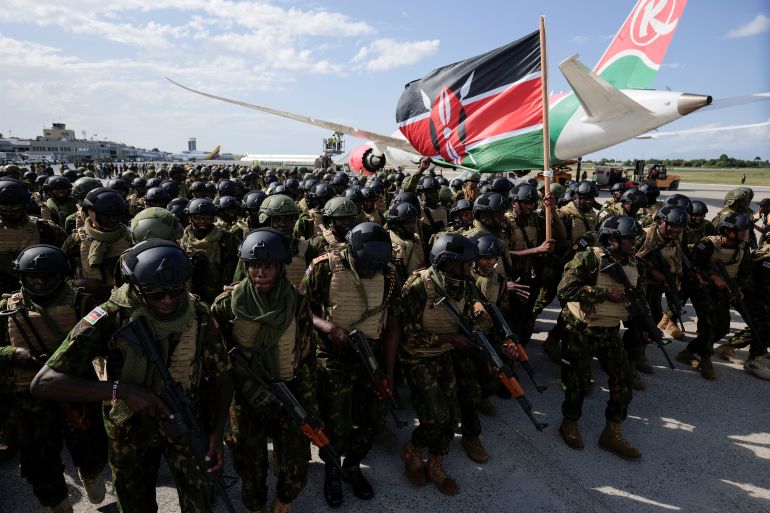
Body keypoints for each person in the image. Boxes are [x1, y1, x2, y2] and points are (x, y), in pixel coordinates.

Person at [31, 240, 233, 513]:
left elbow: (222, 377)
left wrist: (216, 432)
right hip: (129, 429)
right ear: (136, 287)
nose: (168, 301)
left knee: (201, 500)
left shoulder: (198, 315)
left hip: (185, 419)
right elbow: (44, 382)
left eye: (175, 292)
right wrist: (121, 390)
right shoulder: (110, 316)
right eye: (156, 294)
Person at [212, 228, 317, 513]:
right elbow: (217, 361)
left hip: (288, 391)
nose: (260, 271)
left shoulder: (296, 303)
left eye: (267, 265)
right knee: (250, 463)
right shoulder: (226, 306)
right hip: (245, 399)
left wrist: (307, 404)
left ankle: (283, 501)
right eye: (254, 265)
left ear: (280, 267)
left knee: (297, 459)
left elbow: (306, 354)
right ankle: (256, 507)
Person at [2, 245, 108, 513]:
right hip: (31, 397)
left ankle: (91, 473)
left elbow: (107, 340)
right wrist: (12, 353)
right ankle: (59, 505)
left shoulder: (82, 302)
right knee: (40, 462)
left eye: (47, 277)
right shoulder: (7, 307)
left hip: (78, 389)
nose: (39, 283)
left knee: (91, 447)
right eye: (32, 278)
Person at [302, 222, 399, 507]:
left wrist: (389, 372)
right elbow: (300, 309)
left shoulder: (389, 273)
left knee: (373, 420)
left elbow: (393, 325)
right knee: (336, 423)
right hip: (332, 359)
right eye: (366, 266)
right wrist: (329, 327)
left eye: (375, 268)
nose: (371, 272)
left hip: (370, 358)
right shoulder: (324, 268)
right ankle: (332, 467)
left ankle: (352, 465)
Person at [398, 233, 485, 495]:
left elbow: (469, 314)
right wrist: (450, 338)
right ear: (446, 262)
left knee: (452, 417)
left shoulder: (465, 285)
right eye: (465, 264)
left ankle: (436, 464)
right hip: (417, 357)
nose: (470, 269)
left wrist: (480, 320)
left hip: (444, 354)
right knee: (435, 416)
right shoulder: (418, 288)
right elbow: (407, 335)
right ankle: (413, 451)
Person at [557, 215, 648, 459]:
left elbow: (640, 297)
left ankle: (612, 432)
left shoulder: (635, 265)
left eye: (634, 239)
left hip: (609, 330)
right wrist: (603, 292)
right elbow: (564, 290)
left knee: (624, 378)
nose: (633, 243)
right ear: (612, 239)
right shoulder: (588, 258)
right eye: (628, 239)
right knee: (576, 381)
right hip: (580, 329)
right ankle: (570, 423)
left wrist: (646, 325)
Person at [678, 213, 752, 379]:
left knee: (723, 327)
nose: (744, 233)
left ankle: (688, 351)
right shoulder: (708, 243)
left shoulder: (743, 248)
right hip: (702, 289)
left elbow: (746, 272)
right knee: (708, 326)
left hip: (724, 290)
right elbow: (692, 266)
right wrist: (712, 277)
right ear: (728, 230)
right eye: (741, 230)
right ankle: (705, 359)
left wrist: (739, 288)